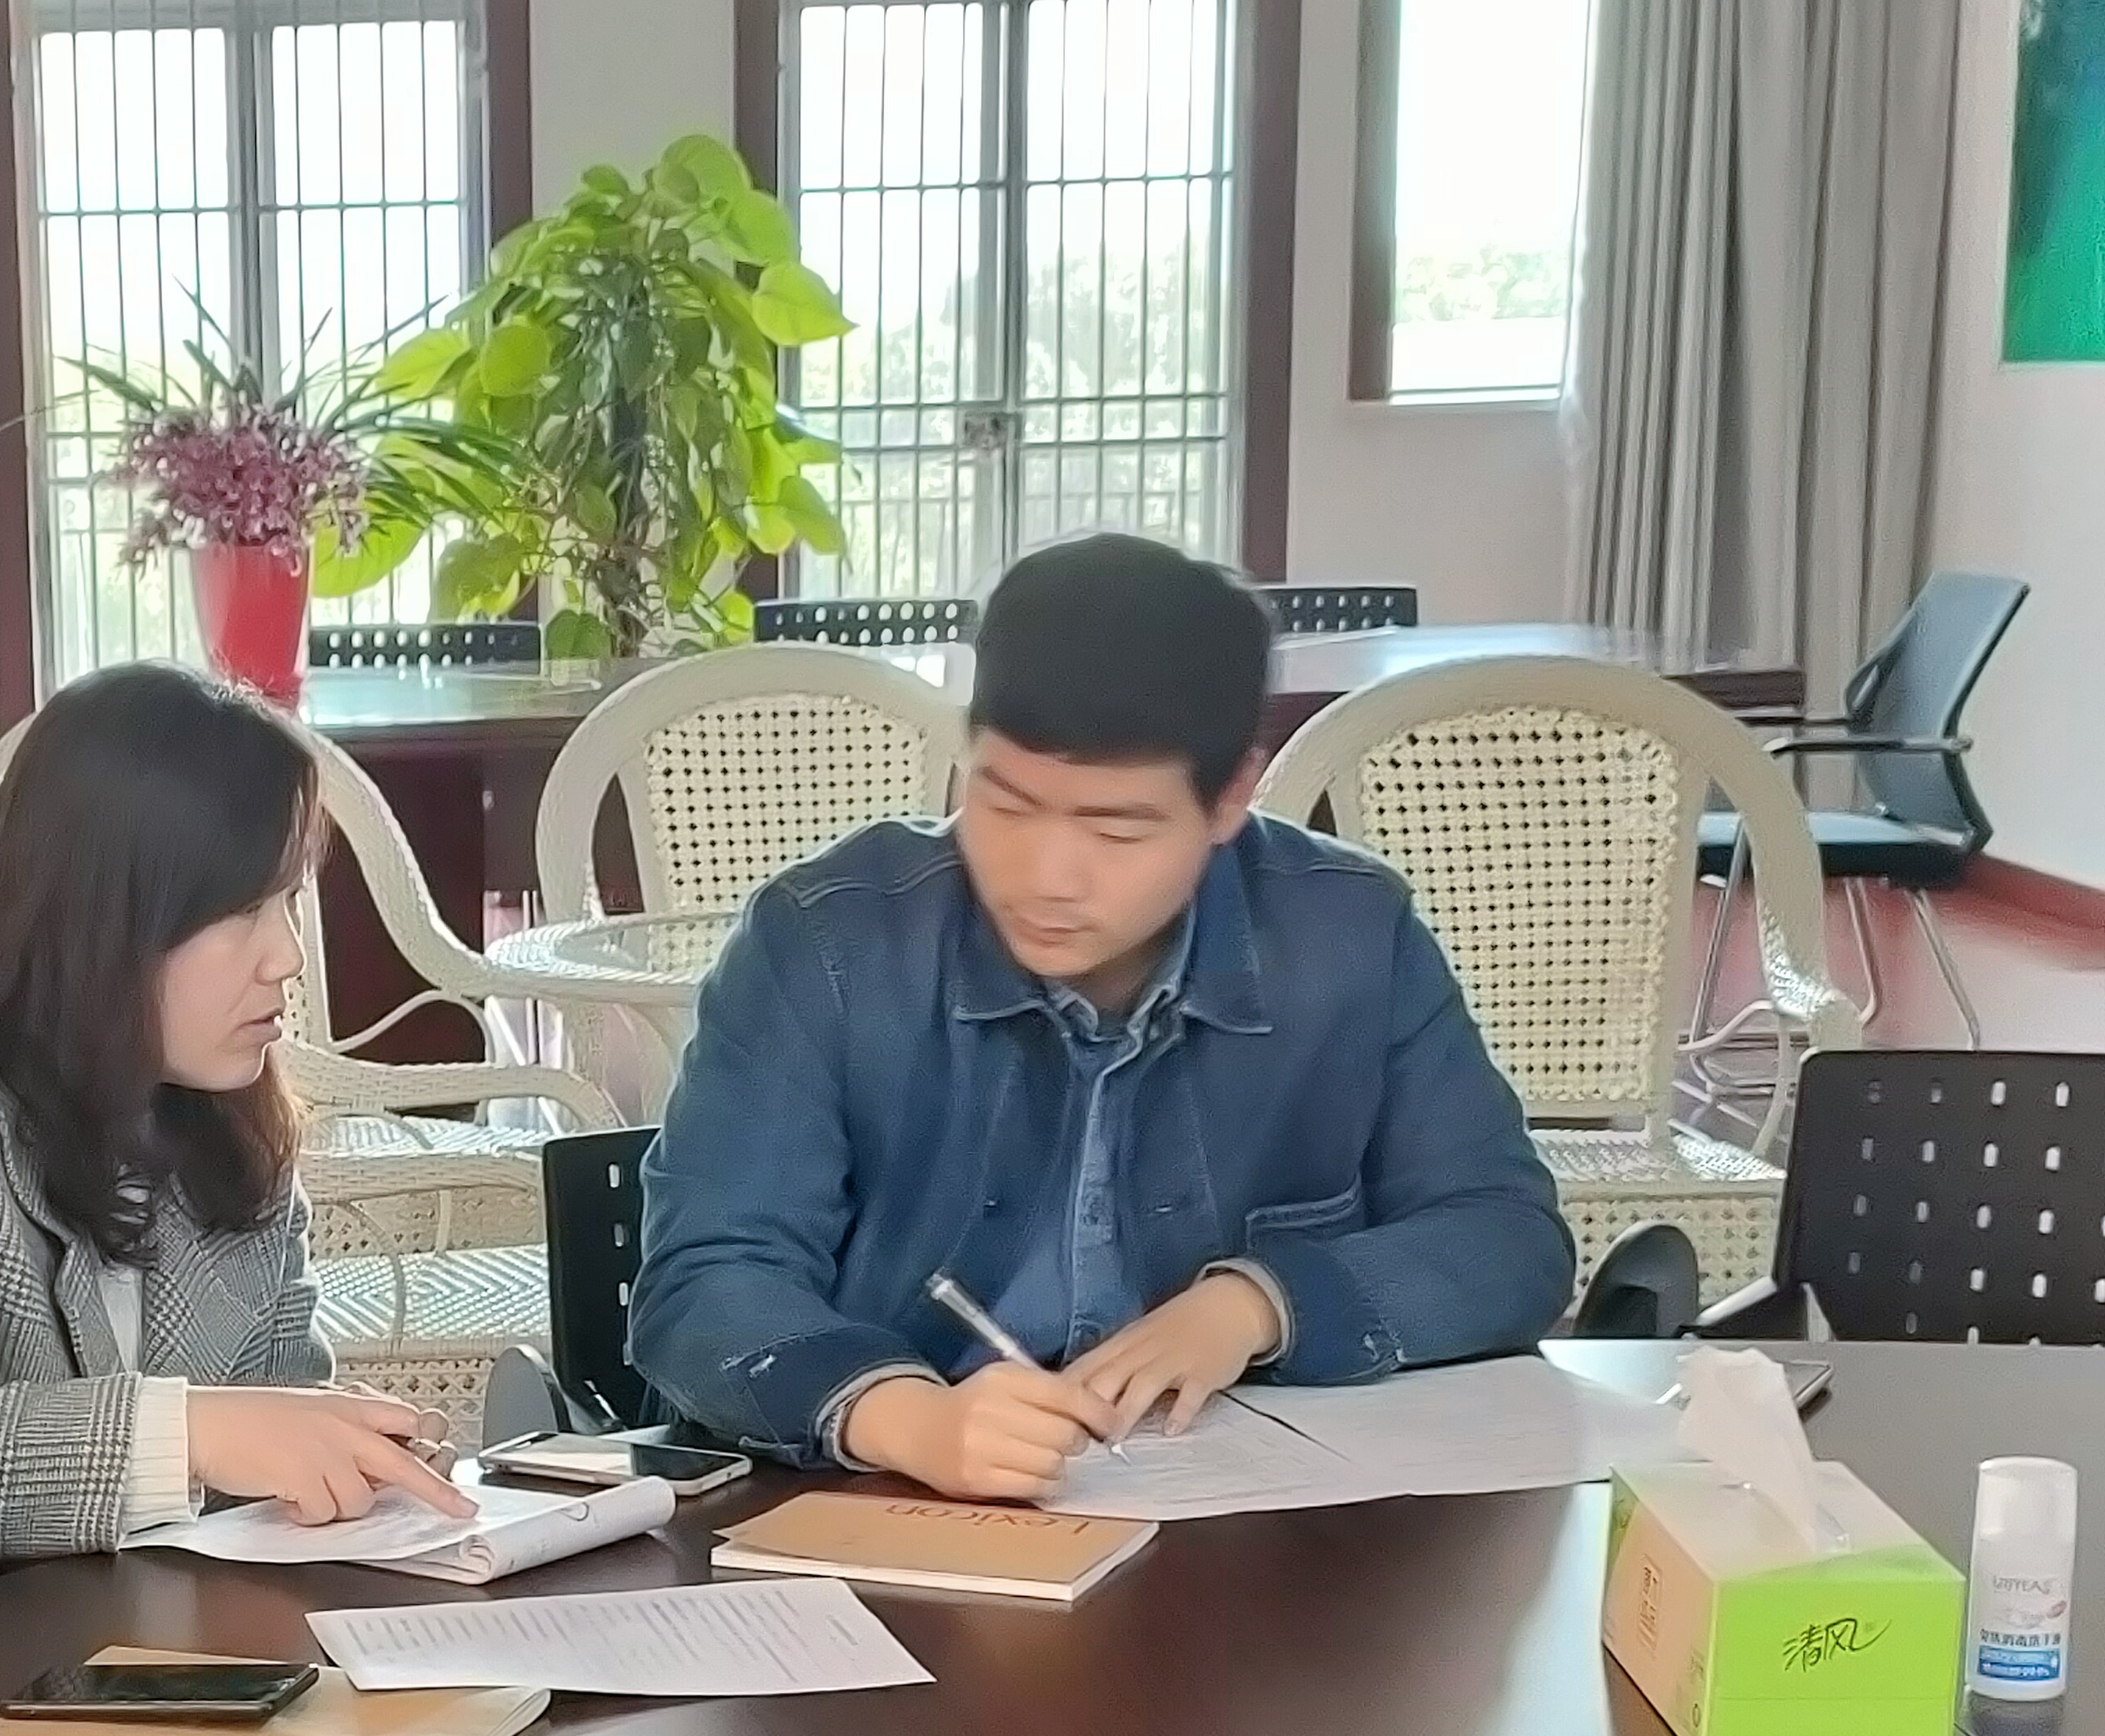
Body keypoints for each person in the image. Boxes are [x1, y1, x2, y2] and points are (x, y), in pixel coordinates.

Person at [632, 533, 1570, 1500]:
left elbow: (1505, 1237)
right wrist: (905, 1419)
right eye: (1005, 805)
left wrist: (1256, 1305)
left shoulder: (1349, 935)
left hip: (1246, 1517)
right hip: (895, 1512)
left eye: (1115, 830)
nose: (1047, 878)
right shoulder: (828, 941)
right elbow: (705, 1279)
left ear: (1230, 798)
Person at [0, 661, 471, 1566]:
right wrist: (189, 1433)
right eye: (244, 909)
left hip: (161, 1634)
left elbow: (267, 1419)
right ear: (106, 915)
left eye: (289, 902)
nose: (287, 957)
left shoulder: (227, 1115)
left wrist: (342, 1463)